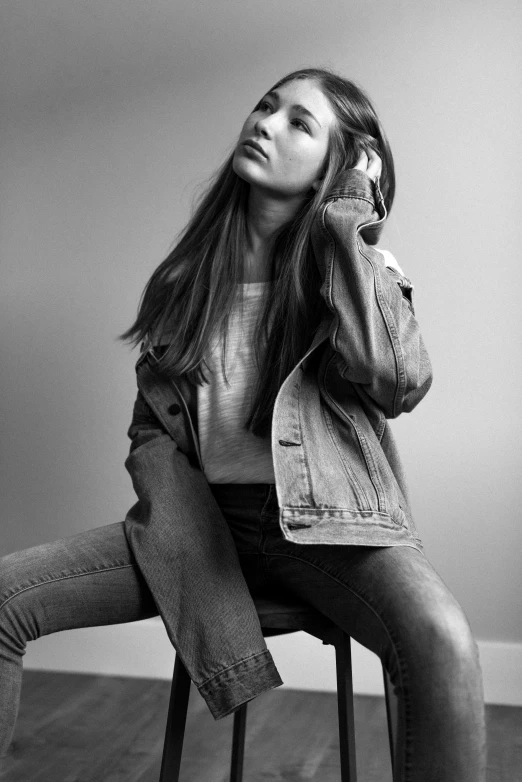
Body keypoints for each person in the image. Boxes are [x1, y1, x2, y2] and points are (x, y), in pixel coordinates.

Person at [0, 67, 486, 780]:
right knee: (6, 596)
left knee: (442, 637)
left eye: (299, 123)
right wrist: (177, 528)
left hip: (323, 525)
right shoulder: (184, 282)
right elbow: (152, 432)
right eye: (266, 106)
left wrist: (347, 217)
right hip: (197, 522)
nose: (265, 122)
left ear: (338, 162)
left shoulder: (361, 274)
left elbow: (396, 382)